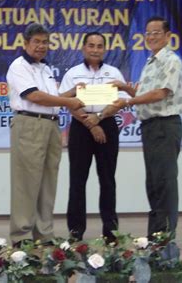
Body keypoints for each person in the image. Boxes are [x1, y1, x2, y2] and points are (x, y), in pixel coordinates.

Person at [6, 23, 84, 245]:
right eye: (37, 41)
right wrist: (69, 100)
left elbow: (53, 98)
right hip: (30, 124)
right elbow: (35, 97)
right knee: (26, 182)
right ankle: (21, 235)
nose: (41, 46)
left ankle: (44, 234)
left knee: (48, 181)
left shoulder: (46, 69)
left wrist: (75, 92)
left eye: (45, 42)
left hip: (51, 125)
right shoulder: (19, 66)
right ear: (26, 43)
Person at [114, 16, 182, 238]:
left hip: (165, 126)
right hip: (150, 127)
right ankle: (156, 234)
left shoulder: (171, 61)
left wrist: (127, 101)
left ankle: (166, 235)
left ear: (167, 36)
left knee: (164, 181)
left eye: (156, 32)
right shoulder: (150, 62)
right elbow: (146, 95)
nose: (151, 37)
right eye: (148, 33)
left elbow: (160, 93)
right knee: (153, 182)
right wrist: (126, 88)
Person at [58, 32, 130, 243]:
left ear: (104, 49)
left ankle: (110, 231)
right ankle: (75, 231)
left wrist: (98, 118)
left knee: (107, 179)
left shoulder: (113, 72)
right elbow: (64, 100)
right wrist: (89, 123)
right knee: (77, 180)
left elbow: (121, 101)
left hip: (106, 124)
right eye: (91, 45)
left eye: (99, 46)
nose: (95, 49)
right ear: (83, 48)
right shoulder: (73, 73)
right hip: (80, 127)